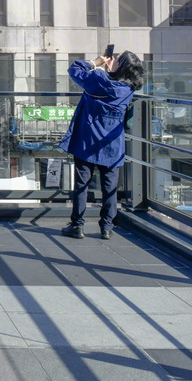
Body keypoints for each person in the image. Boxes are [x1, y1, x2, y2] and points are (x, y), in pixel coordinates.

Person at [59, 51, 145, 240]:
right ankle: (106, 227)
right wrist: (111, 70)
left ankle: (77, 225)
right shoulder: (128, 89)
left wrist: (96, 62)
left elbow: (75, 69)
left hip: (86, 140)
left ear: (120, 65)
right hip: (112, 144)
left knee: (82, 184)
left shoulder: (97, 79)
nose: (111, 59)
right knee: (110, 187)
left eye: (116, 59)